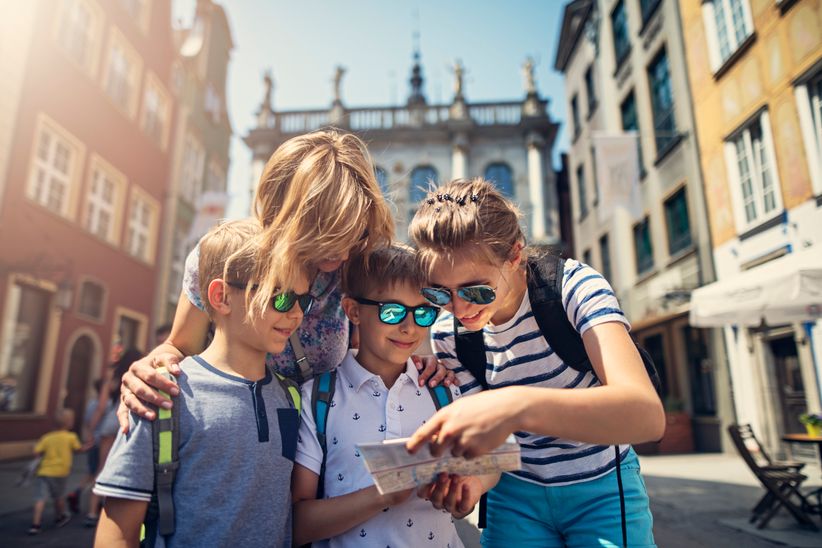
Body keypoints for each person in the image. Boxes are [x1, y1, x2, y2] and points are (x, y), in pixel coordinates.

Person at [118, 129, 448, 430]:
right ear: (285, 214)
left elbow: (369, 356)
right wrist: (151, 368)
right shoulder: (226, 259)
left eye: (354, 233)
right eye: (329, 236)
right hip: (230, 432)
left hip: (318, 449)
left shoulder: (356, 265)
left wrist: (422, 366)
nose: (344, 251)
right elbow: (180, 345)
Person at [405, 178, 664, 547]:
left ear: (514, 255)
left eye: (475, 290)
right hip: (515, 496)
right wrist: (473, 483)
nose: (460, 308)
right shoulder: (450, 333)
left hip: (602, 486)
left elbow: (646, 416)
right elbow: (497, 450)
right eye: (439, 293)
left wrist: (513, 405)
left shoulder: (575, 288)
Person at [93, 219, 308, 547]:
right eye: (280, 297)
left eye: (302, 300)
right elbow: (117, 531)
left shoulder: (292, 397)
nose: (296, 314)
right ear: (221, 296)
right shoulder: (162, 393)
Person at [292, 245, 498, 547]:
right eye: (392, 311)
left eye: (423, 312)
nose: (408, 327)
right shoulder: (318, 399)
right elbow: (297, 523)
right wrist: (382, 493)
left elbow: (488, 464)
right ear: (353, 311)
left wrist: (470, 490)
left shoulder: (445, 390)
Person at [29, 408, 88, 535]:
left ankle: (35, 524)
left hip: (43, 472)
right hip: (60, 473)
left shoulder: (47, 437)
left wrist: (34, 447)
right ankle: (60, 516)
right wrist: (87, 447)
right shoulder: (71, 437)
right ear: (69, 423)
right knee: (58, 497)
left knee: (40, 498)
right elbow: (78, 449)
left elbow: (36, 452)